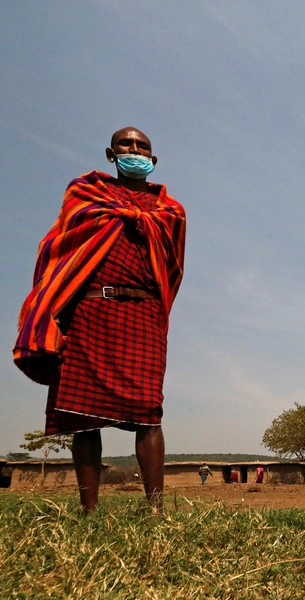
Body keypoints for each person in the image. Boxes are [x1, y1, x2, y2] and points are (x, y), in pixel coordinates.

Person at [13, 127, 186, 513]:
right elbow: (57, 248)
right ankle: (90, 511)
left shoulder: (170, 212)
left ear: (153, 161)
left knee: (149, 411)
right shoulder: (86, 195)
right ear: (111, 154)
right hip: (91, 311)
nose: (135, 150)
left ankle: (155, 510)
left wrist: (141, 220)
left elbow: (172, 267)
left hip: (144, 314)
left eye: (143, 146)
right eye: (127, 144)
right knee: (82, 416)